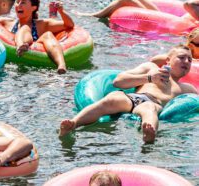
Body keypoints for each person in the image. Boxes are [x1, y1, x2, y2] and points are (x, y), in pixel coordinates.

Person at [59, 45, 197, 142]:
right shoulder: (151, 68)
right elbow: (118, 82)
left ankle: (148, 134)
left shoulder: (187, 88)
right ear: (168, 60)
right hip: (132, 98)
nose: (186, 61)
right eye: (182, 57)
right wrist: (149, 78)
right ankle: (73, 124)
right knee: (113, 98)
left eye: (190, 60)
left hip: (154, 104)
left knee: (149, 109)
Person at [0, 0, 74, 73]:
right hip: (16, 54)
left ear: (33, 8)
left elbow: (69, 25)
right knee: (24, 28)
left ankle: (61, 65)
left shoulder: (42, 24)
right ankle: (21, 46)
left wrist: (61, 11)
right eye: (17, 2)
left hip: (37, 49)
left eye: (23, 2)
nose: (19, 5)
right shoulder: (7, 22)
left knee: (48, 35)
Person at [83, 0, 199, 21]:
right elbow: (188, 5)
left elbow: (188, 4)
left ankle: (96, 16)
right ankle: (98, 14)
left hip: (171, 22)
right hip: (169, 18)